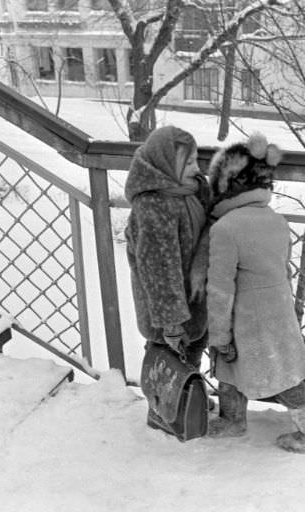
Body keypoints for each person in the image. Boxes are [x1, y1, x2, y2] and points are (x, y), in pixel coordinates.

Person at [205, 132, 305, 454]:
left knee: (272, 374)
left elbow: (220, 289)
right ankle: (235, 419)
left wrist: (218, 335)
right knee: (277, 368)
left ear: (225, 185)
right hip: (278, 311)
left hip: (246, 319)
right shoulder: (276, 220)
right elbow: (284, 268)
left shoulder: (225, 229)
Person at [124, 125, 211, 430]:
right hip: (167, 309)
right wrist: (171, 321)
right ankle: (161, 410)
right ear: (164, 165)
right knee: (167, 357)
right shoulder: (153, 207)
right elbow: (158, 269)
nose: (197, 169)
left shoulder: (188, 193)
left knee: (192, 353)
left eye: (197, 160)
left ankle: (185, 398)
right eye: (188, 164)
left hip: (191, 299)